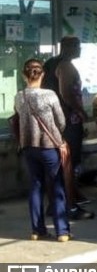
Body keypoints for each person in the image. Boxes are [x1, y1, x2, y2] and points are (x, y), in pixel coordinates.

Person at [14, 59, 72, 242]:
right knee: (56, 187)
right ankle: (62, 232)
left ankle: (37, 230)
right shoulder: (50, 95)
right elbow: (61, 121)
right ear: (42, 74)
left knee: (36, 186)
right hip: (49, 147)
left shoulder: (19, 96)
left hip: (28, 147)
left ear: (24, 75)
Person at [42, 36, 94, 220]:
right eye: (77, 46)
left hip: (52, 120)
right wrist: (81, 112)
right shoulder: (65, 66)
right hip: (66, 121)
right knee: (68, 164)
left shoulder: (50, 63)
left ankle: (54, 205)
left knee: (56, 164)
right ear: (68, 47)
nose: (79, 49)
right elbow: (66, 94)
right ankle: (69, 206)